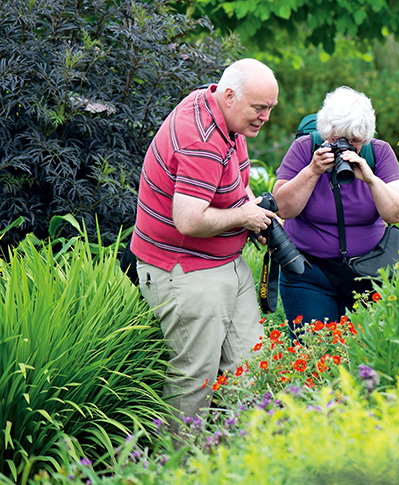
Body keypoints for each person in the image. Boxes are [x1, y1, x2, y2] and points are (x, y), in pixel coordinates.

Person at [130, 58, 279, 423]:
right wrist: (244, 216)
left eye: (270, 109)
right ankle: (177, 468)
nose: (265, 118)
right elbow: (189, 220)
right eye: (259, 108)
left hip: (225, 262)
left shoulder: (222, 114)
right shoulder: (202, 139)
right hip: (184, 269)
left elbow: (232, 184)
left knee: (254, 368)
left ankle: (243, 462)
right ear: (229, 95)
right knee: (194, 380)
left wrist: (247, 209)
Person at [272, 86, 399, 339]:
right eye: (337, 139)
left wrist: (370, 179)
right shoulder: (304, 149)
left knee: (361, 352)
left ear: (365, 137)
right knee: (313, 351)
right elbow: (283, 209)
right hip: (308, 272)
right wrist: (312, 171)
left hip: (368, 273)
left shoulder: (379, 152)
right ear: (325, 132)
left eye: (354, 141)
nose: (346, 147)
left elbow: (395, 214)